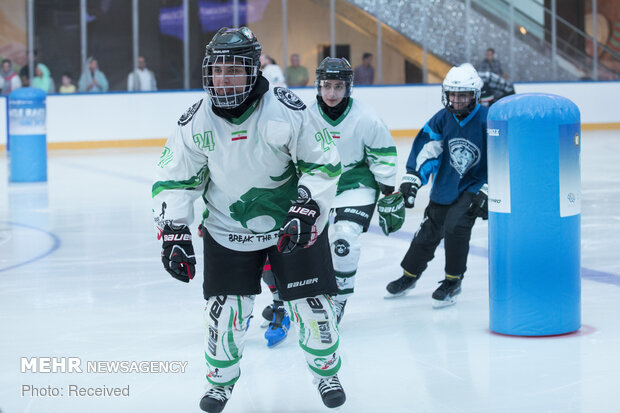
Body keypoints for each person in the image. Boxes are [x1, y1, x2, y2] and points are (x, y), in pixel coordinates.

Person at [152, 27, 346, 412]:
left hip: (293, 228)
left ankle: (326, 371)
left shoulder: (286, 110)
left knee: (313, 307)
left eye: (233, 70)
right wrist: (173, 229)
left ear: (254, 69)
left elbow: (324, 163)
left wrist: (309, 207)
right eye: (216, 70)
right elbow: (173, 178)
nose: (222, 79)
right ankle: (220, 382)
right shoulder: (195, 122)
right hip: (227, 228)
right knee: (224, 313)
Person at [385, 63, 489, 308]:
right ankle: (409, 275)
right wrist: (414, 178)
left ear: (475, 95)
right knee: (426, 233)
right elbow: (428, 149)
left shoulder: (488, 119)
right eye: (453, 94)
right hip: (445, 186)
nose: (457, 100)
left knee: (456, 228)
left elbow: (505, 156)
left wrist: (491, 188)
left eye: (463, 94)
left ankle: (453, 281)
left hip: (473, 187)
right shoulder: (443, 118)